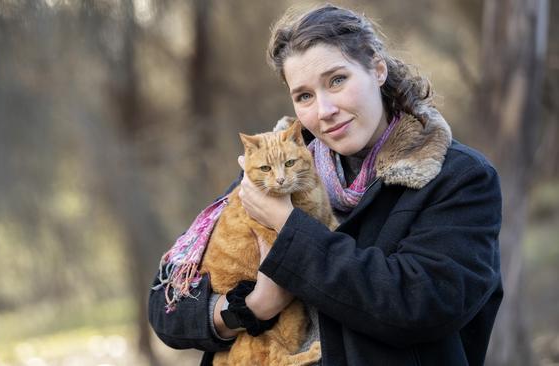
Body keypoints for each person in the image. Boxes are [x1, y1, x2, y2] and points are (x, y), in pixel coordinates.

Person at [148, 4, 502, 366]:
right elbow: (167, 305)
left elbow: (420, 305)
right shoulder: (275, 174)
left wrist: (288, 229)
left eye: (337, 80)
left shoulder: (458, 178)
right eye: (304, 96)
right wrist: (253, 307)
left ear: (377, 69)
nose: (324, 110)